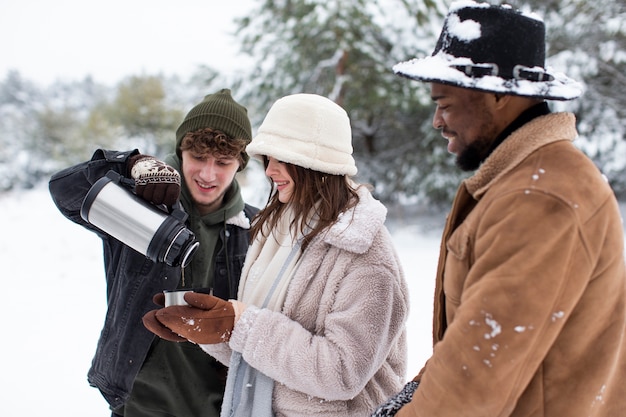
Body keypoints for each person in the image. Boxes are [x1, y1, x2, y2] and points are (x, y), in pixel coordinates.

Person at [371, 2, 626, 416]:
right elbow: (476, 339)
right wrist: (415, 393)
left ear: (496, 94)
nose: (437, 121)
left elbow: (474, 379)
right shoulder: (525, 181)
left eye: (446, 103)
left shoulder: (540, 199)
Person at [143, 93, 410, 417]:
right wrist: (212, 329)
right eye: (266, 159)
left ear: (315, 162)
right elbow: (261, 349)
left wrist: (238, 325)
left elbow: (341, 373)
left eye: (279, 158)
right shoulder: (281, 230)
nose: (269, 171)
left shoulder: (366, 255)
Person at [49, 89, 258, 417]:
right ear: (181, 151)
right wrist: (130, 164)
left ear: (240, 164)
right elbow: (64, 191)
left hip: (216, 408)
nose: (207, 174)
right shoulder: (140, 206)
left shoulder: (254, 229)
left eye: (222, 162)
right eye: (198, 157)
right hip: (136, 405)